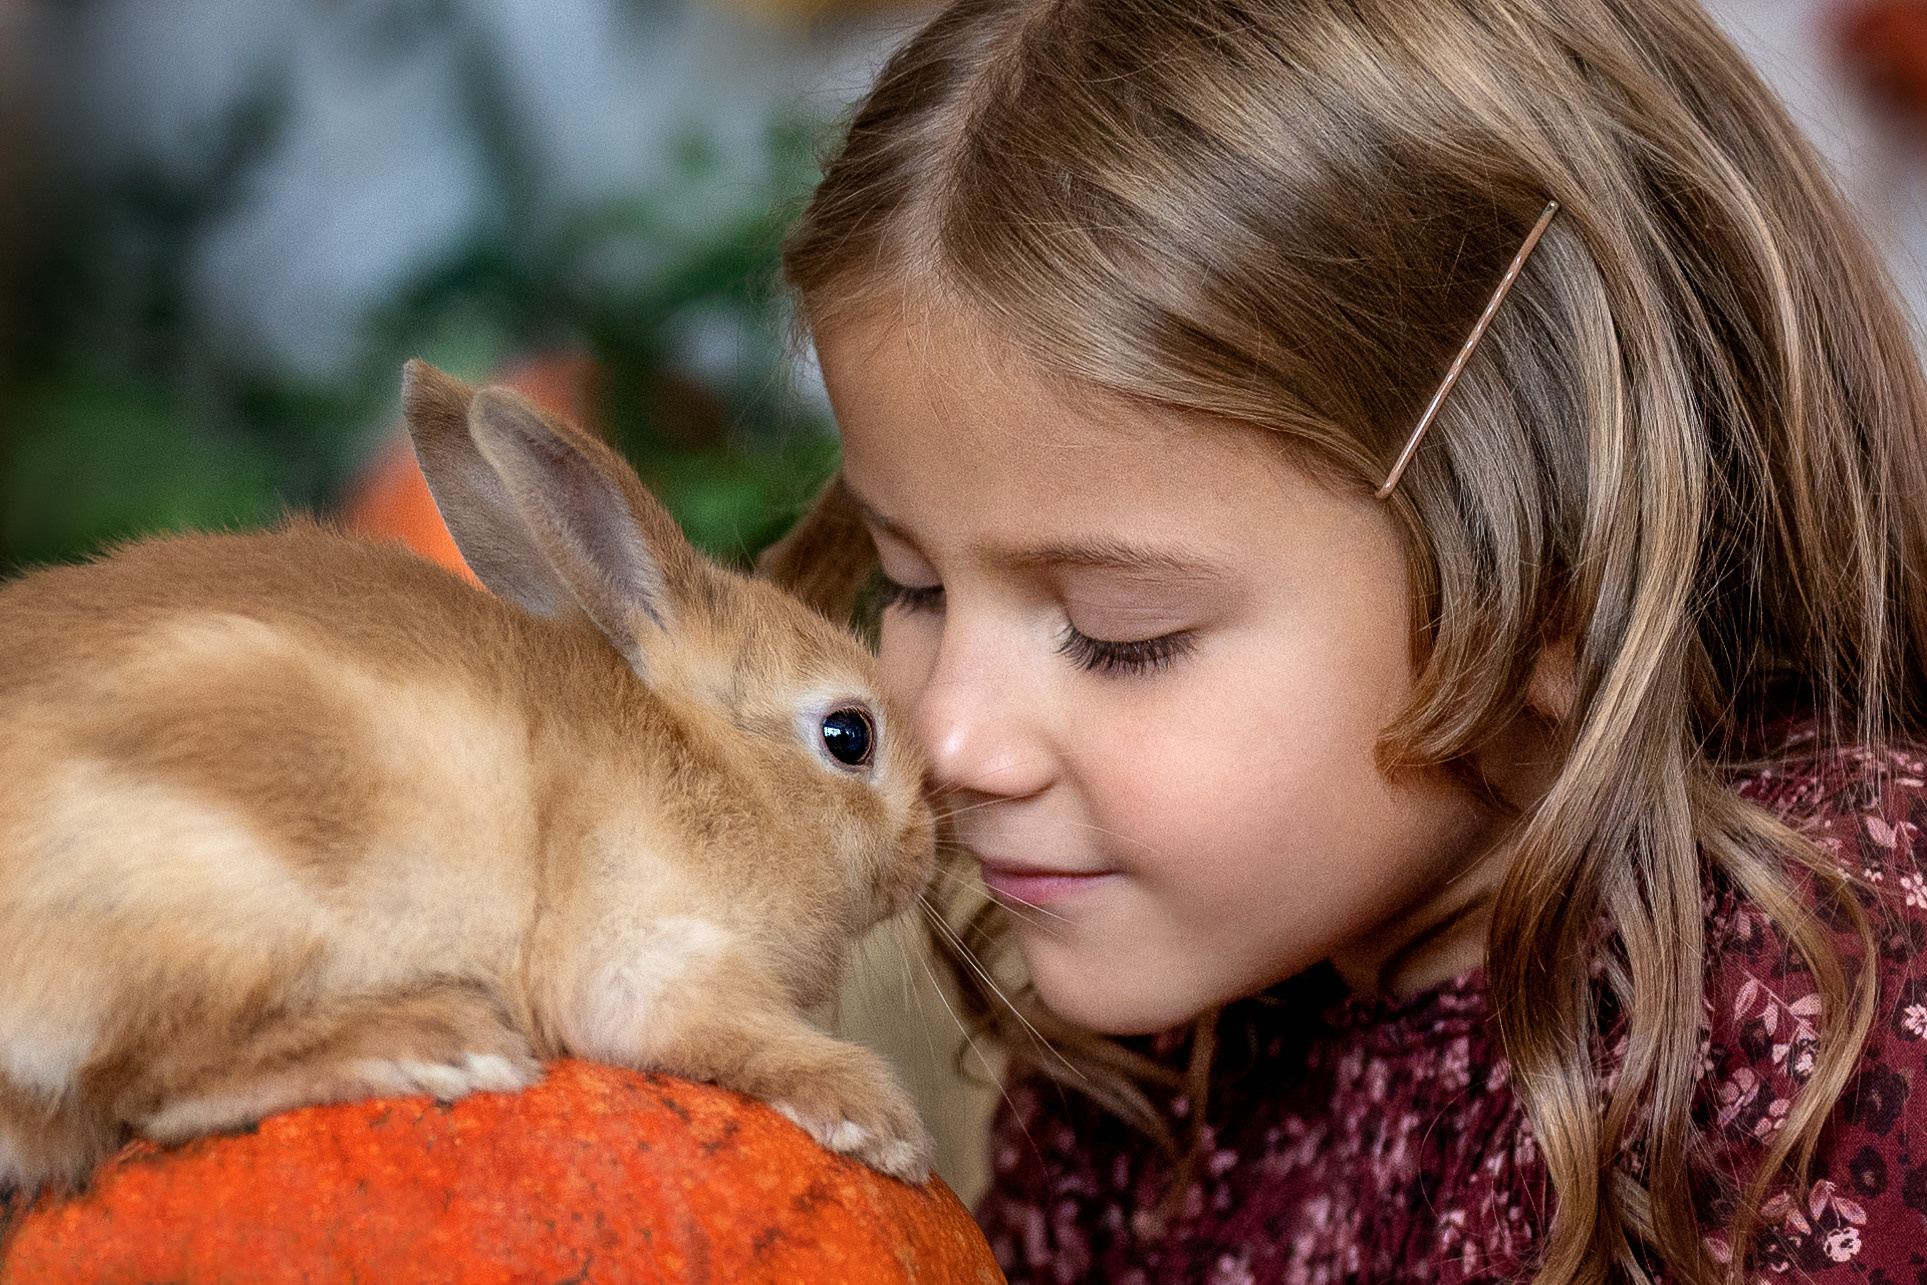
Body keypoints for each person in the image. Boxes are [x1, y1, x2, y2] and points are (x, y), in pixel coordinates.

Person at [776, 0, 1927, 1279]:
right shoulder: (1149, 1065)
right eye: (912, 585)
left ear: (1555, 579)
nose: (944, 734)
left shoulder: (1834, 999)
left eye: (1119, 634)